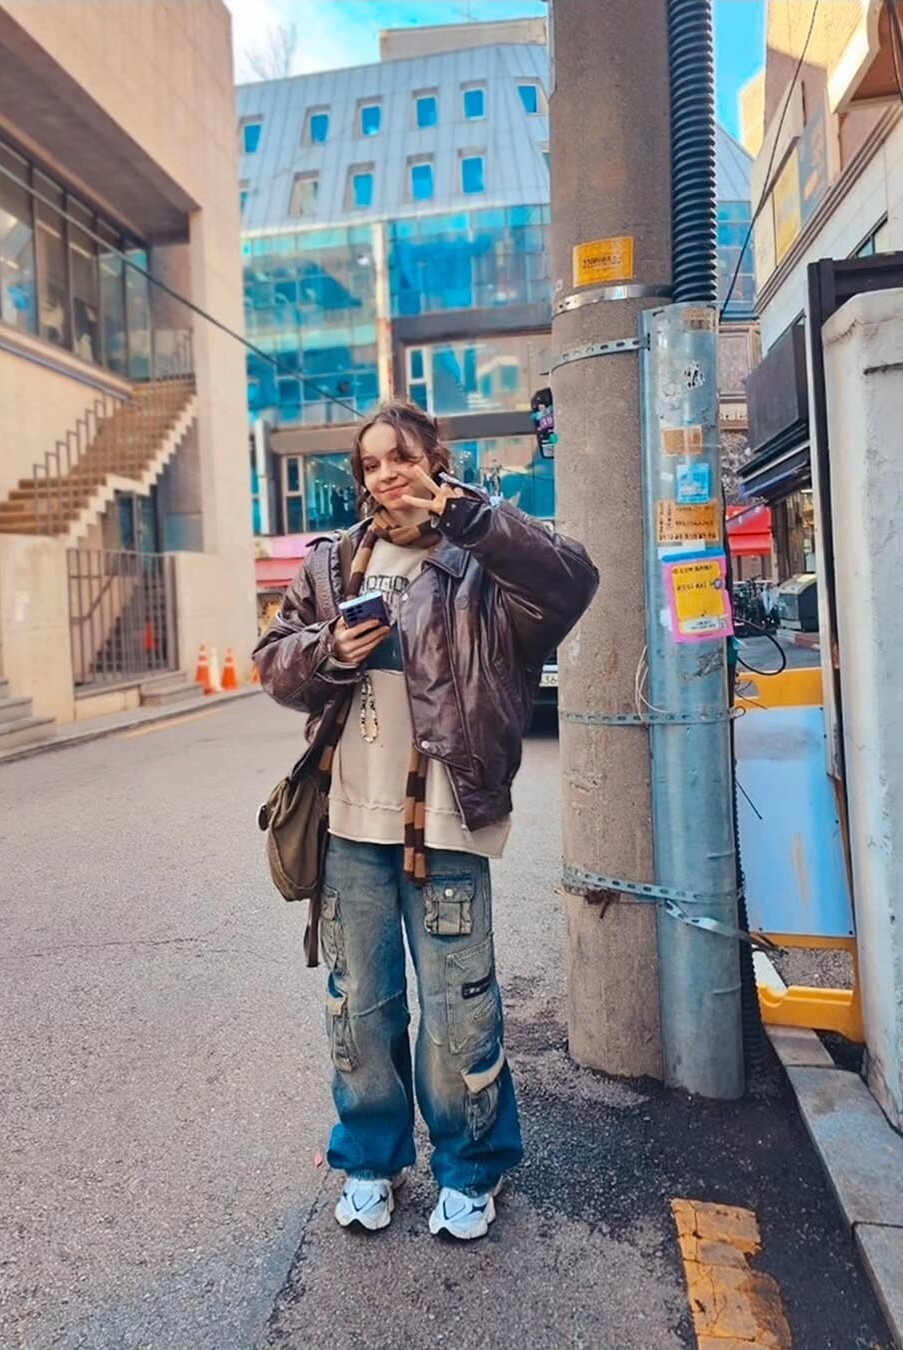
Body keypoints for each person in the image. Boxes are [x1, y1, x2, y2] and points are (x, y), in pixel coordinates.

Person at [253, 400, 598, 1241]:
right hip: (348, 824)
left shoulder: (480, 558)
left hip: (445, 821)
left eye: (401, 457)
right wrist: (328, 650)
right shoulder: (334, 563)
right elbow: (273, 660)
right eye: (371, 464)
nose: (386, 475)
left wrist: (466, 515)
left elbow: (571, 580)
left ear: (433, 460)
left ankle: (471, 1167)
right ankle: (370, 1161)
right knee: (359, 1007)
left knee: (458, 1009)